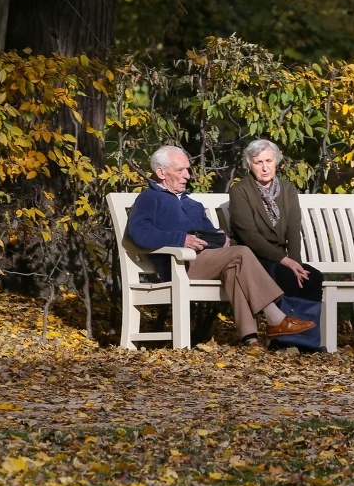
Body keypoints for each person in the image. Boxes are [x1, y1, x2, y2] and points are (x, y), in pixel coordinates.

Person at [126, 145, 316, 346]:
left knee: (235, 270)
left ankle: (250, 339)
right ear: (161, 172)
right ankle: (275, 317)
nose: (187, 176)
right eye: (180, 170)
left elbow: (209, 230)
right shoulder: (150, 198)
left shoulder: (192, 204)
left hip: (206, 259)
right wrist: (180, 239)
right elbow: (138, 234)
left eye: (188, 170)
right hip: (179, 264)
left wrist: (222, 236)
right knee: (242, 252)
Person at [228, 138, 324, 302]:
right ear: (249, 165)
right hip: (253, 259)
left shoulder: (288, 189)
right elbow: (249, 236)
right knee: (286, 276)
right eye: (258, 162)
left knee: (312, 277)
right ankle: (285, 325)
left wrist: (296, 264)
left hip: (283, 259)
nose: (265, 168)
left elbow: (293, 230)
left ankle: (307, 327)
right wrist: (285, 261)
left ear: (276, 162)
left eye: (268, 161)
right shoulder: (240, 191)